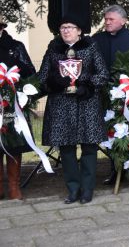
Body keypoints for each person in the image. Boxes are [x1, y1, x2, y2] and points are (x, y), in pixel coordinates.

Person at [39, 16, 109, 204]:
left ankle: (87, 190)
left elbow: (103, 74)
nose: (66, 30)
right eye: (62, 27)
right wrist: (55, 82)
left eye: (70, 27)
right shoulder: (53, 49)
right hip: (61, 104)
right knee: (66, 149)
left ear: (79, 31)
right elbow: (42, 78)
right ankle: (73, 189)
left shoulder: (91, 46)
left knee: (89, 147)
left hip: (86, 102)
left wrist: (87, 85)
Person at [93, 4, 129, 185]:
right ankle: (115, 169)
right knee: (113, 132)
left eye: (111, 19)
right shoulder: (97, 39)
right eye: (106, 19)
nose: (107, 22)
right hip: (106, 94)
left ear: (123, 21)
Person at [0, 15, 36, 200]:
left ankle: (14, 187)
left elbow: (30, 72)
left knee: (13, 143)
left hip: (12, 103)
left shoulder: (16, 47)